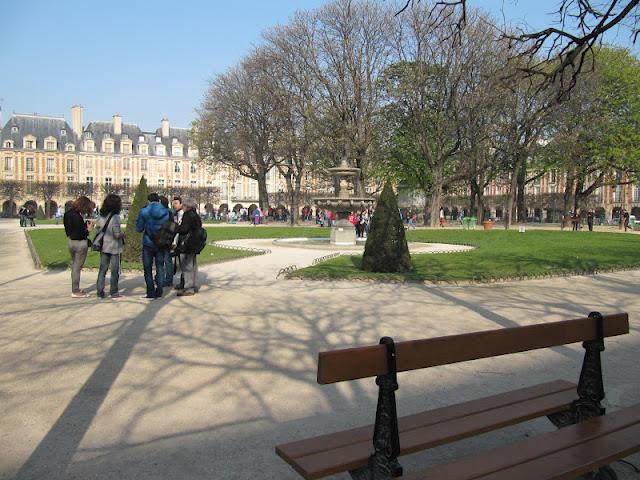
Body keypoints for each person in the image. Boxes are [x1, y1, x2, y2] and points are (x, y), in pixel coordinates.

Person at [135, 193, 170, 300]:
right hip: (160, 242)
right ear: (158, 201)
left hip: (148, 242)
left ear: (148, 201)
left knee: (147, 268)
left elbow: (139, 228)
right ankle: (159, 291)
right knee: (160, 266)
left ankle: (150, 292)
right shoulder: (165, 211)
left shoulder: (144, 211)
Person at [63, 196, 94, 298]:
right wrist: (88, 230)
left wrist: (84, 226)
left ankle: (75, 288)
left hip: (71, 242)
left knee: (75, 266)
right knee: (77, 267)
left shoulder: (67, 214)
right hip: (80, 243)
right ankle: (75, 290)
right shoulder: (77, 216)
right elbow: (80, 233)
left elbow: (70, 231)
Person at [95, 194, 125, 299]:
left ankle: (99, 291)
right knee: (114, 270)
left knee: (102, 269)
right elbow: (116, 234)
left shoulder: (101, 215)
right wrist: (123, 234)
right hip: (114, 246)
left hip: (103, 245)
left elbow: (98, 230)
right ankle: (114, 291)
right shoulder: (115, 217)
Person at [175, 197, 202, 296]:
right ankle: (193, 285)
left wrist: (176, 227)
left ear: (186, 206)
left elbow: (184, 229)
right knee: (193, 265)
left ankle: (188, 288)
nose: (182, 207)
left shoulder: (187, 215)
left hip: (187, 243)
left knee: (187, 266)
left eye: (184, 205)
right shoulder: (196, 215)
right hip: (194, 243)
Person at [158, 195, 174, 288]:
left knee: (164, 260)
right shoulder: (170, 212)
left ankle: (165, 279)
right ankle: (168, 279)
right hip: (167, 238)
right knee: (167, 260)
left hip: (162, 238)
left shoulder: (163, 213)